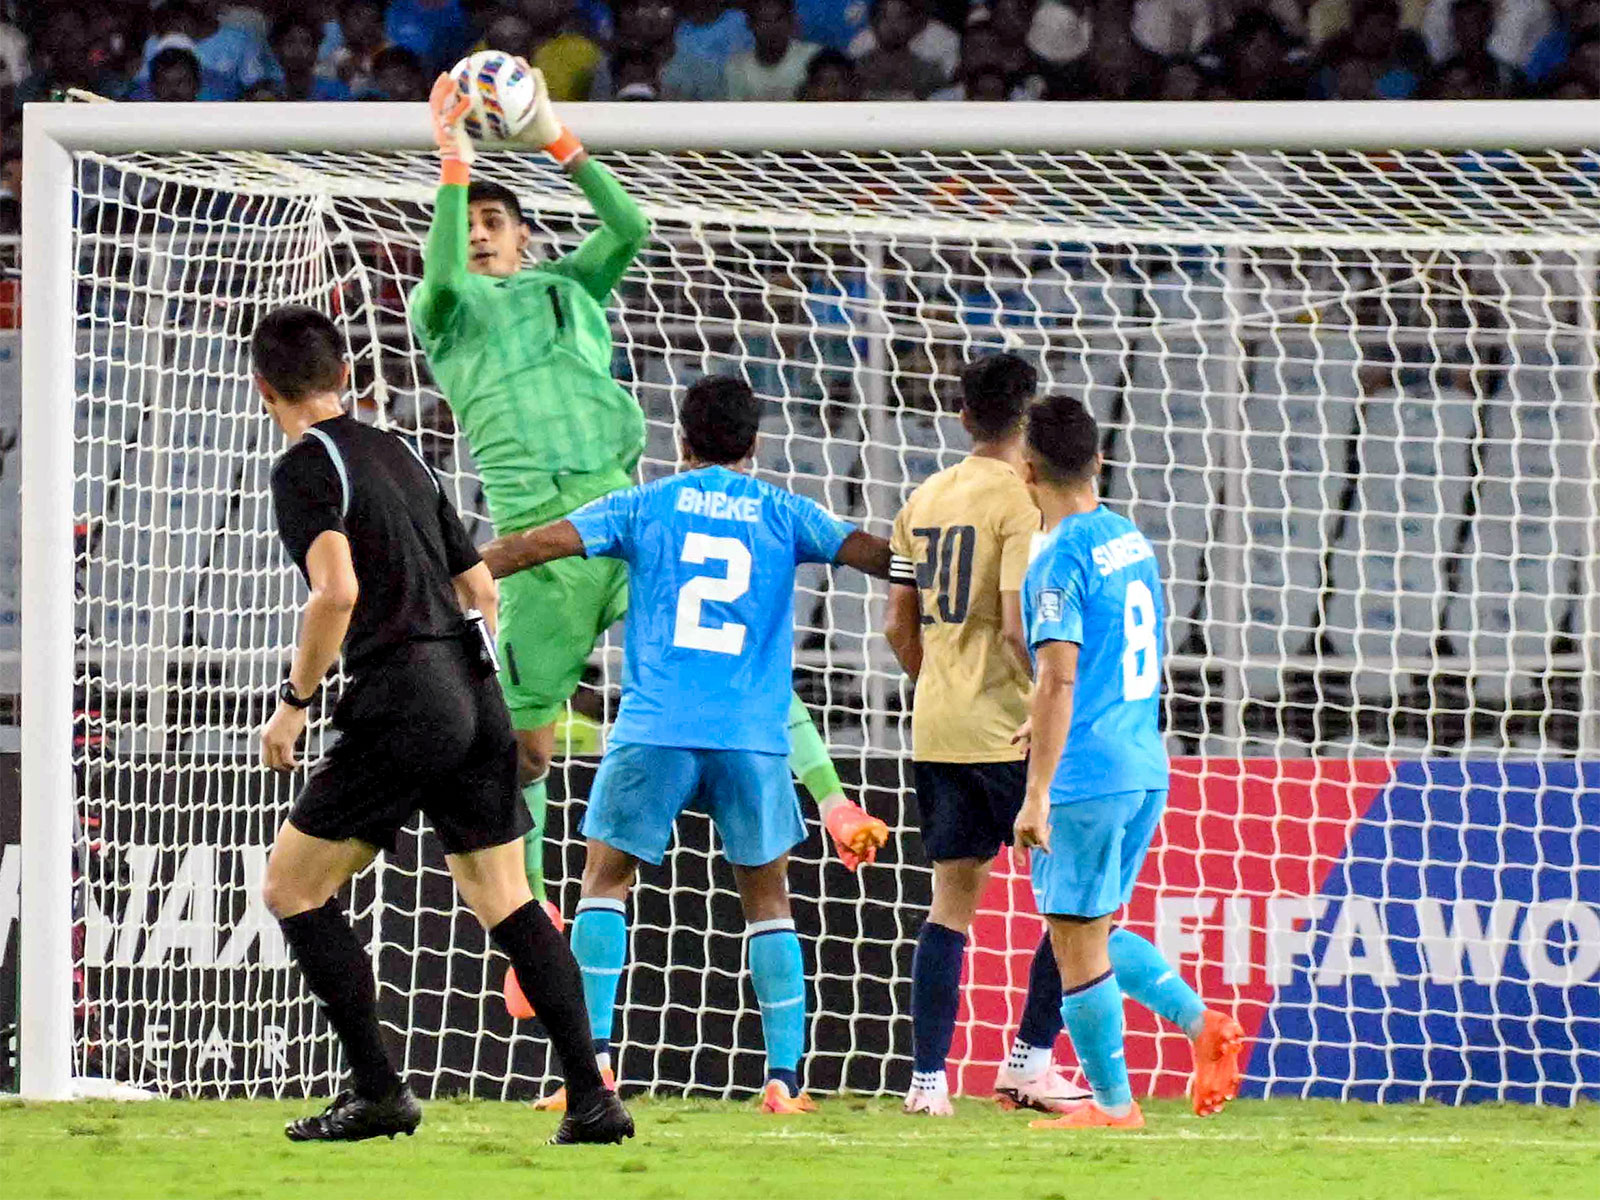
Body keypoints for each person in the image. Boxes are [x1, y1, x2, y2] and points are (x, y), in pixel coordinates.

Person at [414, 68, 888, 1054]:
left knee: (738, 657)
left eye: (499, 222)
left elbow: (628, 226)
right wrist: (453, 159)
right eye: (473, 223)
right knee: (527, 751)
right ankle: (530, 921)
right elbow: (445, 271)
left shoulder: (568, 288)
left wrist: (556, 138)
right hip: (547, 547)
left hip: (629, 522)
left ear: (527, 236)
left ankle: (831, 794)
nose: (484, 234)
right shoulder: (447, 314)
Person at [251, 304, 632, 1146]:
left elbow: (336, 592)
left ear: (262, 388)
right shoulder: (401, 451)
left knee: (292, 889)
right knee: (508, 898)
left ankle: (379, 1091)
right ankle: (592, 1099)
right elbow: (480, 588)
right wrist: (480, 695)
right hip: (471, 683)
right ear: (344, 374)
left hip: (403, 693)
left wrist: (294, 703)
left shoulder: (304, 468)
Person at [476, 375, 895, 1114]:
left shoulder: (644, 504)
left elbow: (539, 544)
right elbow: (875, 555)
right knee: (768, 900)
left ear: (681, 440)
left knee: (603, 886)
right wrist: (943, 562)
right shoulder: (786, 510)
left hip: (655, 730)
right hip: (751, 738)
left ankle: (592, 1068)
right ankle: (783, 1078)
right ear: (754, 443)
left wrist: (457, 570)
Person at [1011, 394, 1244, 1131]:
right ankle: (1201, 1023)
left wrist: (1037, 792)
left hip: (1087, 774)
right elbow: (1106, 656)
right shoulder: (1129, 539)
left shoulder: (1058, 558)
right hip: (1144, 762)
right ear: (1099, 461)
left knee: (1074, 943)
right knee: (1096, 930)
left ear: (1027, 471)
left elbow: (1058, 676)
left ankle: (1113, 1107)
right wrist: (1046, 716)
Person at [885, 354, 1091, 1118]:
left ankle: (927, 1082)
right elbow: (1016, 625)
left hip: (939, 727)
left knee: (950, 907)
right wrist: (1045, 704)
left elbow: (895, 626)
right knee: (1075, 901)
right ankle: (1029, 1061)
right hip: (1012, 730)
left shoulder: (923, 497)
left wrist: (942, 682)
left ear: (963, 415)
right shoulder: (1022, 501)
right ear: (1028, 417)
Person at [725, 0, 821, 100]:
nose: (773, 28)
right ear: (750, 24)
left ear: (790, 21)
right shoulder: (737, 67)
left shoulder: (813, 58)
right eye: (765, 21)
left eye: (779, 19)